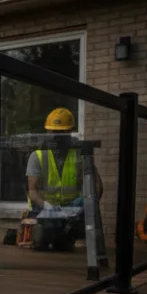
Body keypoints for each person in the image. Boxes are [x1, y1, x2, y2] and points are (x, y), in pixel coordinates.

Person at [21, 107, 103, 251]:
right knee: (43, 235)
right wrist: (48, 206)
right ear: (47, 131)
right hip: (45, 208)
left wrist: (85, 204)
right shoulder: (38, 155)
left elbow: (97, 186)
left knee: (78, 229)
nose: (56, 137)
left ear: (70, 131)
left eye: (61, 132)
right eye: (53, 131)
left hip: (72, 209)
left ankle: (65, 236)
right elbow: (32, 191)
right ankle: (47, 235)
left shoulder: (80, 154)